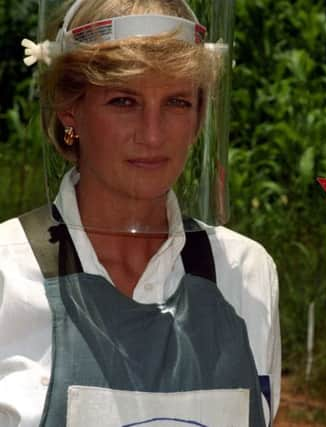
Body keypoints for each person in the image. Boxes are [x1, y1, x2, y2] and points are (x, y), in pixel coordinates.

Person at [0, 0, 280, 426]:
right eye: (124, 101)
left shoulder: (244, 272)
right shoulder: (8, 272)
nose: (152, 134)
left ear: (201, 115)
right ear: (69, 109)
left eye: (177, 103)